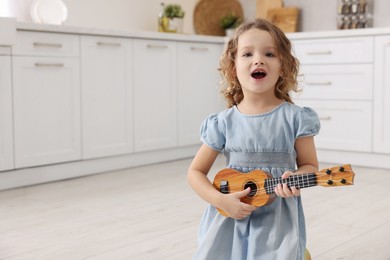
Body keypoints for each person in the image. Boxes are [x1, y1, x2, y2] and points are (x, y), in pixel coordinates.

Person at [187, 18, 320, 260]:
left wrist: (295, 180)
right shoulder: (223, 122)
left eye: (269, 53)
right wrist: (220, 201)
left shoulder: (296, 118)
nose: (258, 59)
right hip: (231, 214)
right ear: (233, 67)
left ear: (283, 66)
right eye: (247, 54)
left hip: (277, 217)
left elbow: (311, 167)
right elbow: (195, 172)